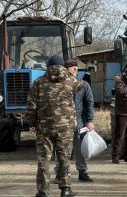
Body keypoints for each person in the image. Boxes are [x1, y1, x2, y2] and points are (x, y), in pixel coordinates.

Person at [26, 55, 82, 197]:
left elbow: (32, 105)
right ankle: (66, 189)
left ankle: (43, 191)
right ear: (63, 66)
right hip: (65, 127)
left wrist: (31, 123)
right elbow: (81, 85)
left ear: (48, 66)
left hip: (44, 127)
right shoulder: (71, 80)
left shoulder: (38, 82)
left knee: (44, 160)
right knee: (64, 158)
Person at [53, 59, 95, 183]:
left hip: (79, 122)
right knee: (61, 149)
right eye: (73, 68)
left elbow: (89, 103)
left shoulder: (83, 85)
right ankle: (59, 174)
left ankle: (82, 172)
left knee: (80, 148)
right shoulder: (58, 85)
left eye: (76, 69)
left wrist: (90, 120)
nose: (75, 71)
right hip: (62, 123)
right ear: (65, 70)